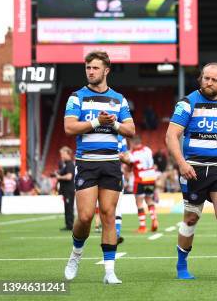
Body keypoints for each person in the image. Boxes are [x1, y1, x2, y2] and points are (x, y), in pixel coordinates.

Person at [63, 50, 135, 284]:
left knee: (108, 215)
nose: (90, 71)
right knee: (84, 217)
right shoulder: (77, 97)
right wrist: (96, 122)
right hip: (87, 164)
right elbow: (70, 128)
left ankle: (110, 271)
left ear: (106, 71)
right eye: (88, 68)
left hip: (111, 164)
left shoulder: (119, 99)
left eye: (95, 68)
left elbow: (130, 130)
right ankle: (76, 254)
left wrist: (113, 122)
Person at [166, 62, 217, 281]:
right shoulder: (187, 102)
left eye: (214, 80)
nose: (208, 83)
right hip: (193, 168)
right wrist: (182, 164)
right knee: (191, 218)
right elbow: (171, 135)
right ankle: (182, 265)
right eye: (205, 78)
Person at [127, 136, 158, 233]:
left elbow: (129, 166)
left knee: (139, 202)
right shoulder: (147, 150)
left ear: (132, 143)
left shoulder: (132, 154)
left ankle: (142, 226)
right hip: (151, 178)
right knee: (149, 199)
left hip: (140, 179)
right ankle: (154, 219)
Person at [55, 146, 75, 231]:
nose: (61, 156)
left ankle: (70, 225)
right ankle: (68, 225)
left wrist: (59, 176)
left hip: (69, 190)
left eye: (62, 154)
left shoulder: (70, 164)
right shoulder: (66, 164)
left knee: (69, 208)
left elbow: (69, 177)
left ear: (67, 154)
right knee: (67, 207)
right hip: (67, 190)